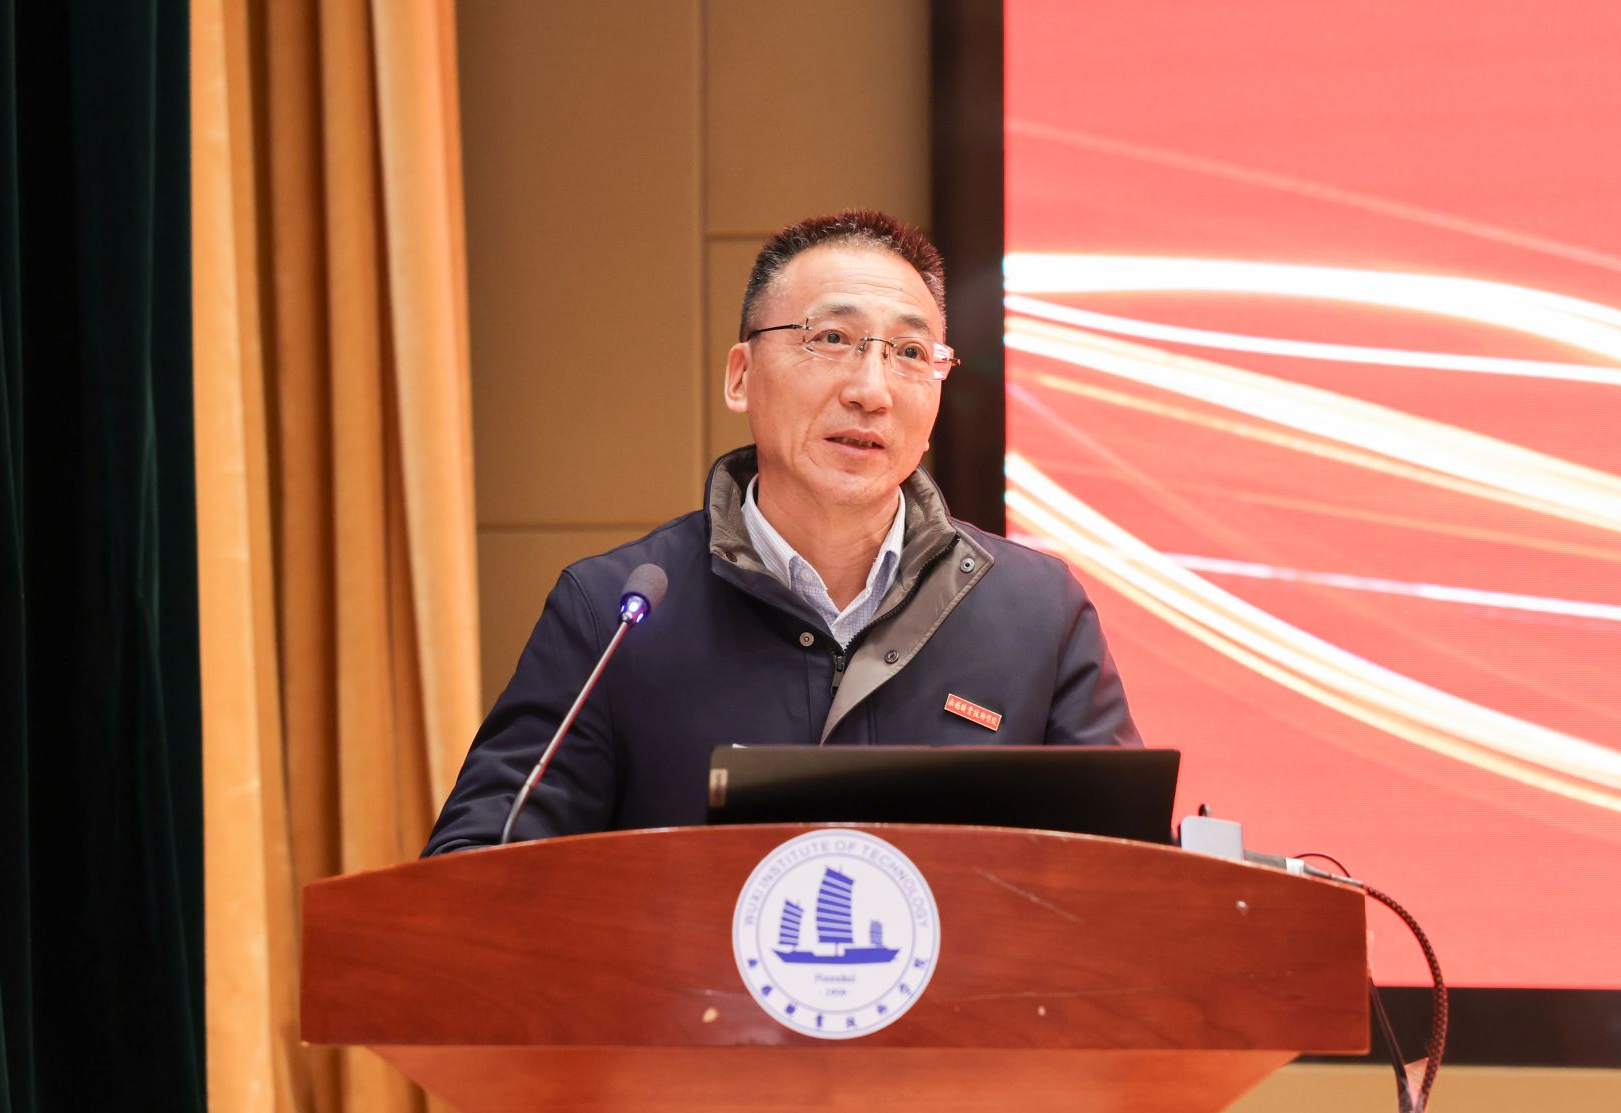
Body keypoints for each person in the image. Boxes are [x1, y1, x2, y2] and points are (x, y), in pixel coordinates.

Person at [424, 209, 1137, 853]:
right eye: (831, 339)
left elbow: (1138, 889)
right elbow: (476, 872)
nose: (871, 390)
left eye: (911, 354)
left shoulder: (1037, 613)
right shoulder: (615, 614)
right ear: (741, 376)